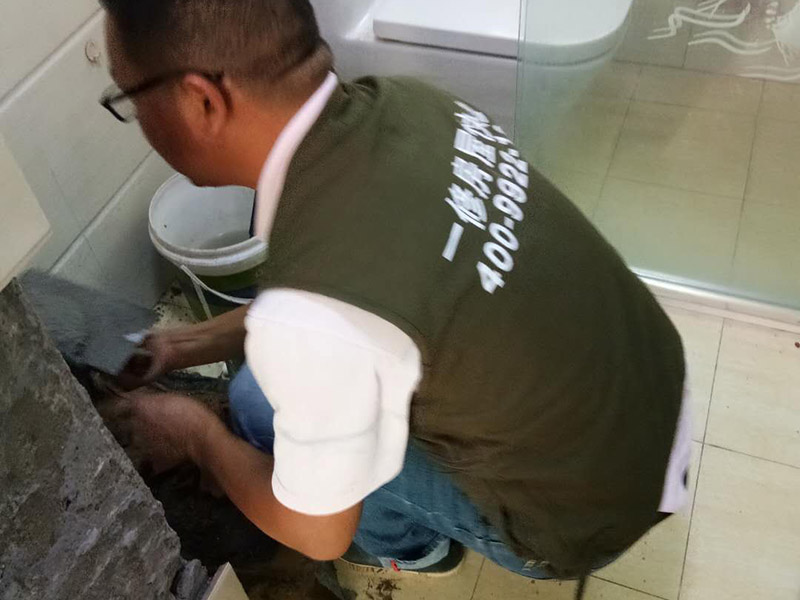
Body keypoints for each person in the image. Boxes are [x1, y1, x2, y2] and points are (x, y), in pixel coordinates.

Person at [102, 0, 691, 594]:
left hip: (583, 516)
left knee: (257, 411)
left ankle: (416, 551)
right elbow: (355, 304)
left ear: (201, 100)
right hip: (653, 403)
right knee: (262, 391)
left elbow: (318, 534)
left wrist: (196, 435)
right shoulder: (409, 104)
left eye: (130, 99)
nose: (139, 120)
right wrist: (184, 346)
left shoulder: (312, 313)